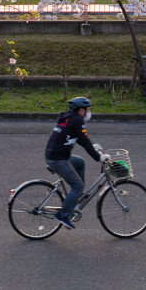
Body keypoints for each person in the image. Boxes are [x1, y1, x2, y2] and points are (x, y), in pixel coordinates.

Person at [43, 96, 110, 229]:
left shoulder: (68, 118)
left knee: (79, 163)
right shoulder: (77, 120)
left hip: (55, 155)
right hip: (58, 159)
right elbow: (84, 141)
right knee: (77, 185)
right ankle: (63, 214)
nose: (88, 112)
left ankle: (76, 196)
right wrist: (98, 157)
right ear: (80, 110)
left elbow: (79, 138)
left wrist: (93, 148)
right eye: (87, 109)